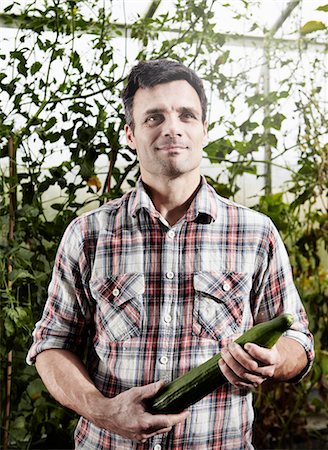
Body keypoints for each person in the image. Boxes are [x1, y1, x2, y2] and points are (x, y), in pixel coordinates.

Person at [27, 59, 314, 450]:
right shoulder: (88, 234)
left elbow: (298, 339)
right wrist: (103, 410)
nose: (172, 128)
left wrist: (275, 359)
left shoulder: (255, 232)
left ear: (204, 130)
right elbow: (51, 344)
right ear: (130, 134)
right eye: (153, 117)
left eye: (186, 115)